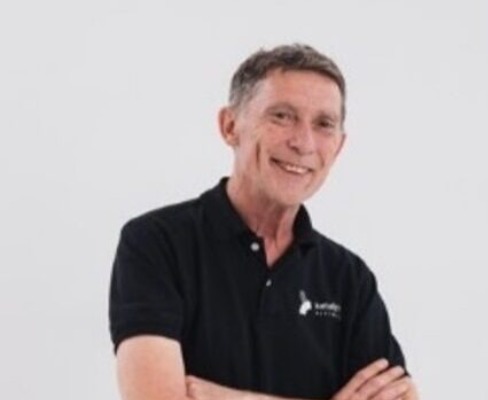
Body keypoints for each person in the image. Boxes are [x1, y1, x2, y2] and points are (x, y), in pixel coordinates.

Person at [109, 44, 419, 400]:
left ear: (339, 146)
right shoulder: (156, 243)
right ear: (230, 127)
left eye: (324, 124)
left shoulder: (349, 278)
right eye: (282, 116)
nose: (304, 143)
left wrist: (229, 398)